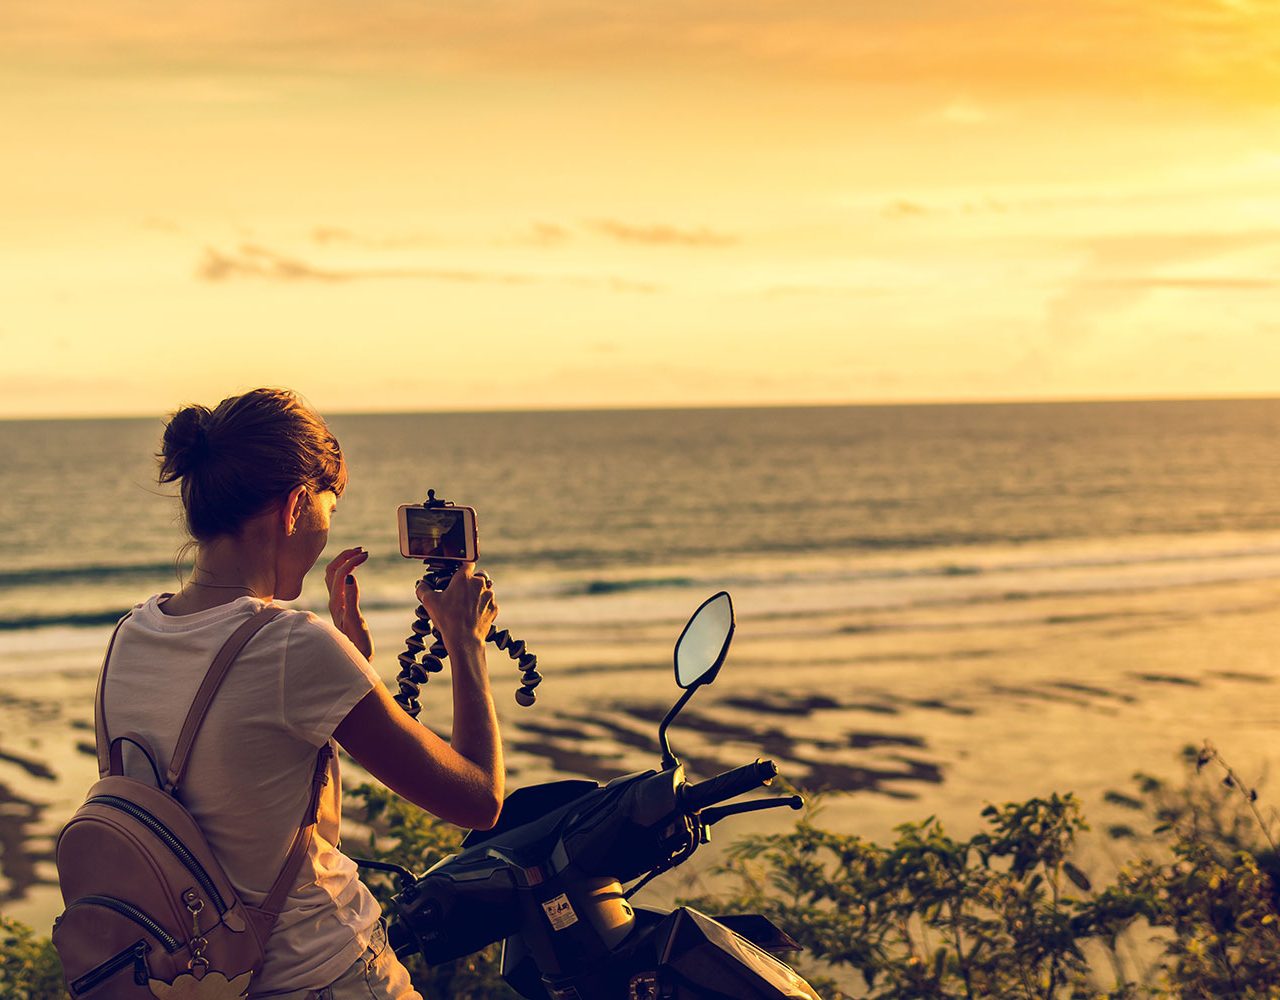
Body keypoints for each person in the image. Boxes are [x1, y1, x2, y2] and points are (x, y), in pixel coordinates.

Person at [98, 387, 503, 999]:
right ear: (294, 507)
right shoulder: (294, 647)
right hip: (327, 976)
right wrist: (465, 643)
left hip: (202, 977)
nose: (322, 537)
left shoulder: (130, 635)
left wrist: (351, 664)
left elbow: (252, 801)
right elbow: (477, 800)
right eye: (327, 512)